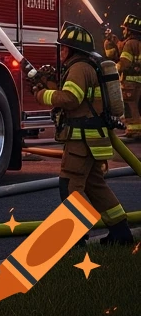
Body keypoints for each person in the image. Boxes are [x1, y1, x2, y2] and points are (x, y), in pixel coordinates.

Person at [33, 20, 133, 244]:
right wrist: (49, 84)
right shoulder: (87, 65)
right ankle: (121, 232)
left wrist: (41, 95)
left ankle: (75, 238)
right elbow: (77, 99)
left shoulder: (78, 68)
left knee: (69, 187)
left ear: (69, 49)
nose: (61, 51)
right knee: (95, 185)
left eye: (62, 47)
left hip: (81, 142)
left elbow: (70, 99)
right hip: (91, 140)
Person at [104, 14, 141, 139]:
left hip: (130, 83)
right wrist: (111, 41)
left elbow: (124, 62)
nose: (123, 31)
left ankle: (134, 131)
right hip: (137, 83)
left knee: (130, 107)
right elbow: (115, 51)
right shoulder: (135, 43)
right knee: (137, 106)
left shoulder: (130, 44)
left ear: (130, 30)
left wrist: (112, 71)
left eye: (125, 29)